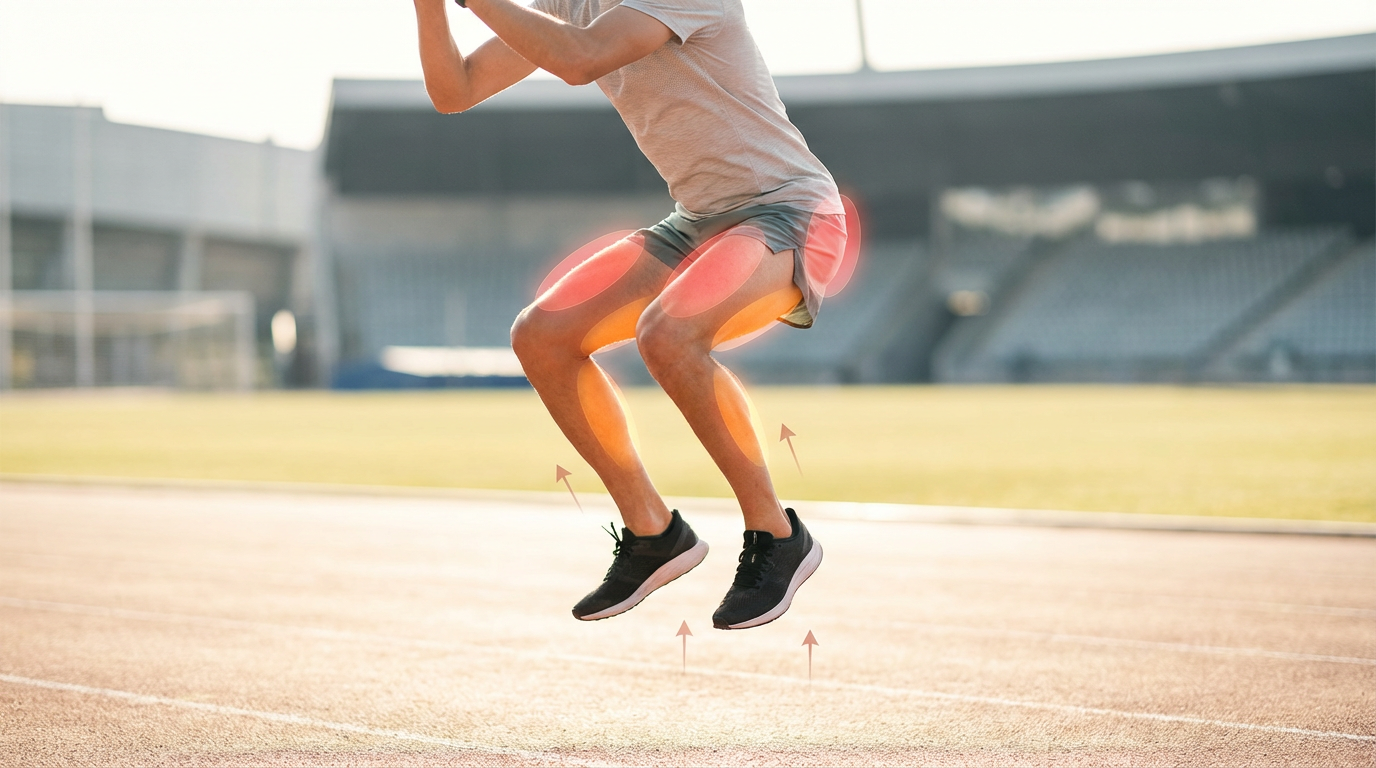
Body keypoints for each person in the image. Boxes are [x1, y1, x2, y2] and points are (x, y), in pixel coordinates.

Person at [413, 0, 849, 630]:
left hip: (792, 213)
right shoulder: (568, 4)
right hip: (698, 221)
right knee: (541, 337)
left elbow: (581, 59)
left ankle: (777, 535)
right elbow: (455, 90)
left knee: (669, 335)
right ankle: (653, 533)